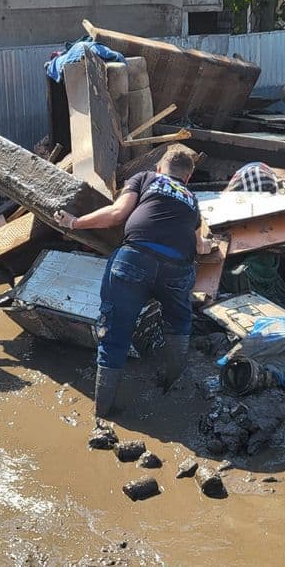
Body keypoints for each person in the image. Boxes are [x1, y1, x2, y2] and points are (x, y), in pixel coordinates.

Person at [54, 150, 213, 418]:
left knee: (115, 332)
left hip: (135, 259)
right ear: (188, 177)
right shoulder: (191, 199)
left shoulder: (146, 178)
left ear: (160, 167)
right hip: (177, 269)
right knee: (180, 324)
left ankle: (102, 413)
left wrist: (74, 222)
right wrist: (209, 245)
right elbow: (199, 246)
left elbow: (117, 214)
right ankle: (169, 387)